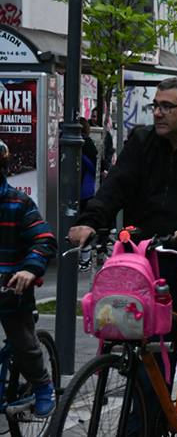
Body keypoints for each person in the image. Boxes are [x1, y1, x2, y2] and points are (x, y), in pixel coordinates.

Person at [70, 77, 177, 408]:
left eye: (167, 106)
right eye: (155, 105)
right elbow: (117, 185)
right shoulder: (143, 141)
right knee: (141, 323)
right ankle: (148, 419)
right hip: (152, 246)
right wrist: (90, 221)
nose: (157, 113)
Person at [0, 139, 57, 418]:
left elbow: (44, 239)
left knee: (24, 342)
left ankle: (43, 385)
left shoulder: (18, 203)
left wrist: (30, 269)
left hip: (11, 290)